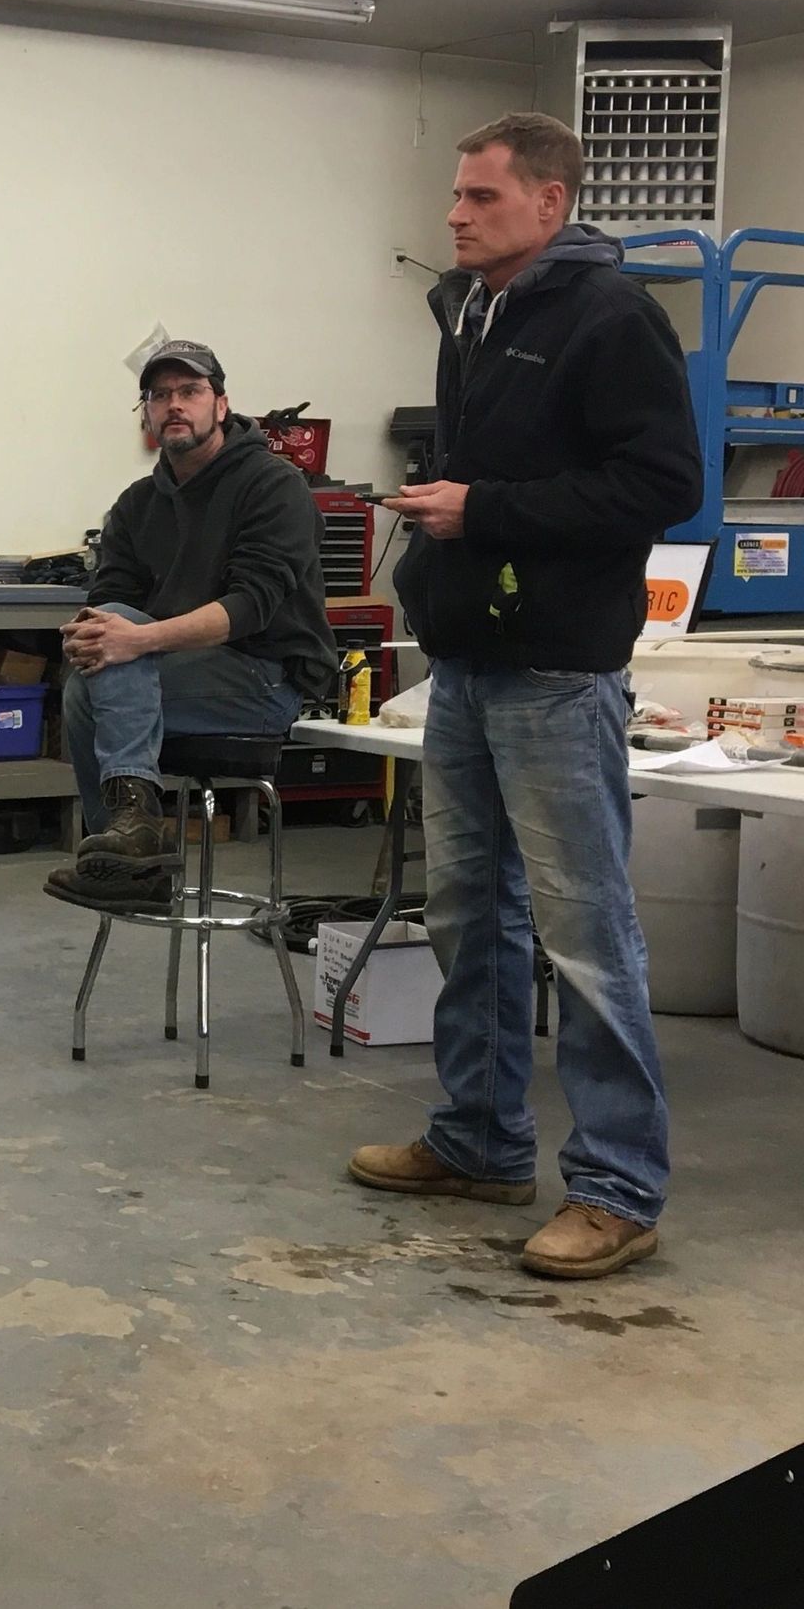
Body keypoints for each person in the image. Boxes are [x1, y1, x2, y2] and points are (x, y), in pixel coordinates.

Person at [349, 112, 703, 1281]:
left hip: (557, 674)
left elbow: (663, 484)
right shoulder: (472, 313)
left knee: (586, 935)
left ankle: (617, 1187)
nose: (453, 213)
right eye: (455, 195)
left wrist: (482, 511)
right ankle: (480, 1139)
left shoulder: (611, 318)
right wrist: (453, 508)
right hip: (467, 665)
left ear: (550, 205)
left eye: (481, 198)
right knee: (470, 915)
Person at [46, 339, 338, 913]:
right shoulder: (135, 504)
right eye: (159, 395)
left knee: (103, 668)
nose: (173, 404)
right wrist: (89, 631)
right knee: (90, 668)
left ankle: (132, 852)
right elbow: (110, 603)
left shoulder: (273, 485)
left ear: (221, 405)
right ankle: (130, 849)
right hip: (174, 677)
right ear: (148, 415)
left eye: (189, 392)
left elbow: (252, 604)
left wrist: (138, 638)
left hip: (263, 681)